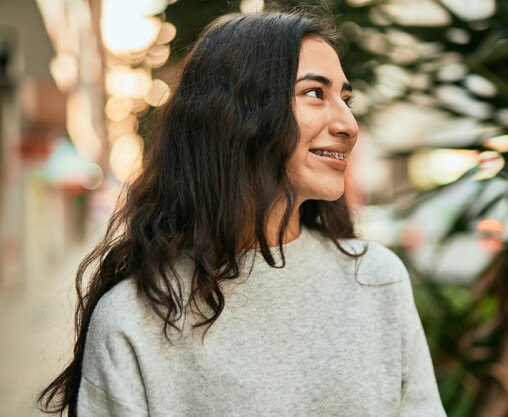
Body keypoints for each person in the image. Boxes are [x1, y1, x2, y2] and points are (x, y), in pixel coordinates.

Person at [39, 10, 447, 417]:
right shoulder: (133, 319)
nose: (348, 123)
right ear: (235, 115)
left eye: (346, 98)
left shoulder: (377, 280)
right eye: (314, 93)